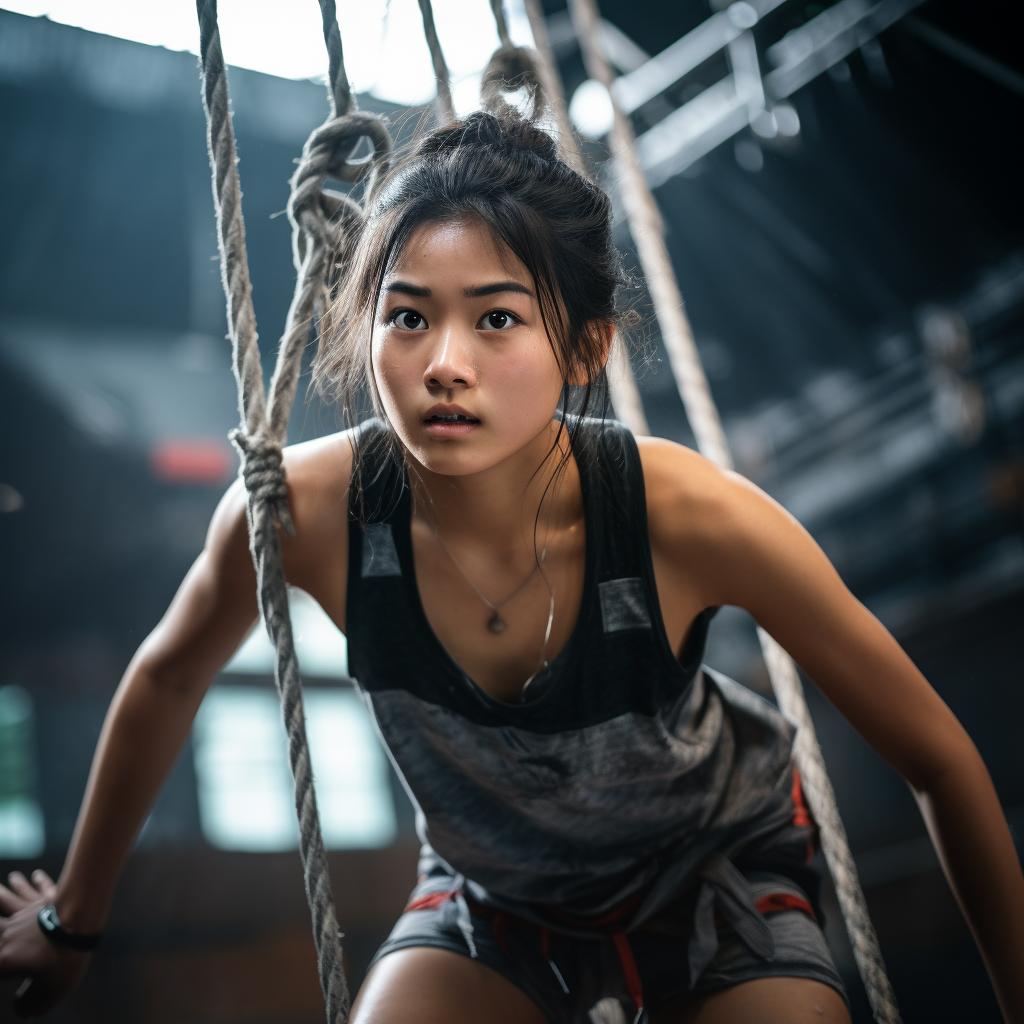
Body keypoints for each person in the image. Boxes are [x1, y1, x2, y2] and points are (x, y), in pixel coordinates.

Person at [1, 111, 1021, 1024]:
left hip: (711, 870)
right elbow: (169, 674)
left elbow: (937, 756)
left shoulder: (681, 512)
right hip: (492, 898)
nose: (444, 359)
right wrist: (72, 922)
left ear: (583, 346)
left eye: (495, 318)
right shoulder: (300, 515)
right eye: (407, 316)